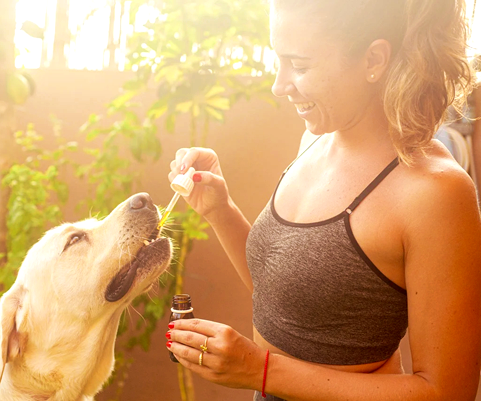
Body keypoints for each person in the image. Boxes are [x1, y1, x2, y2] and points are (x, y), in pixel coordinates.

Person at [165, 0, 481, 399]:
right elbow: (290, 299)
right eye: (278, 60)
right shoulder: (315, 139)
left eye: (299, 65)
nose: (280, 85)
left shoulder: (435, 192)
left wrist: (258, 369)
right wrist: (220, 210)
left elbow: (447, 392)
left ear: (374, 59)